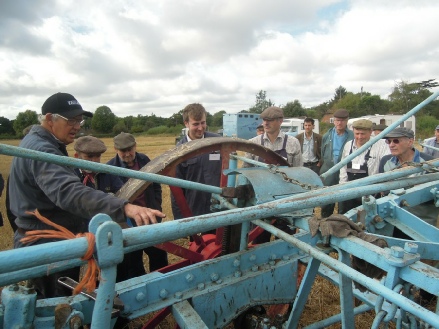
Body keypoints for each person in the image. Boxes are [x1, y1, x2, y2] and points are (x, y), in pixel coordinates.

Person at [8, 92, 165, 299]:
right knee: (57, 306)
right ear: (49, 119)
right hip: (48, 245)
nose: (77, 125)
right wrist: (125, 207)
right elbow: (68, 192)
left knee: (59, 303)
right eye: (71, 120)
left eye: (79, 120)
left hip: (48, 239)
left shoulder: (40, 144)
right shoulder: (41, 149)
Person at [107, 132, 168, 279]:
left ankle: (160, 279)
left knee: (159, 254)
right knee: (133, 260)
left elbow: (155, 184)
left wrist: (156, 206)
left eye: (130, 149)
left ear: (135, 146)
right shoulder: (110, 168)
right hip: (128, 223)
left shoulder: (144, 160)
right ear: (115, 149)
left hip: (150, 218)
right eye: (123, 151)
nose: (128, 154)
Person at [171, 103, 222, 229]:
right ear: (186, 123)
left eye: (203, 123)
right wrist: (180, 221)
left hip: (219, 206)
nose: (200, 128)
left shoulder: (218, 142)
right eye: (196, 124)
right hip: (194, 209)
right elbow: (175, 189)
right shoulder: (179, 152)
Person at [338, 119, 390, 213]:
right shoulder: (348, 145)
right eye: (357, 133)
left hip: (370, 192)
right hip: (349, 190)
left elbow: (387, 166)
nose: (360, 137)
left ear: (370, 132)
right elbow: (343, 167)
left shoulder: (381, 145)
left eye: (363, 134)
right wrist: (342, 186)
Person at [320, 109, 354, 218]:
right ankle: (325, 222)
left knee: (343, 201)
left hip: (345, 172)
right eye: (337, 120)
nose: (339, 123)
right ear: (334, 121)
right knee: (326, 201)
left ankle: (341, 223)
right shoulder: (327, 136)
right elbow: (322, 153)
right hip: (329, 172)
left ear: (347, 121)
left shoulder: (352, 136)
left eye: (342, 120)